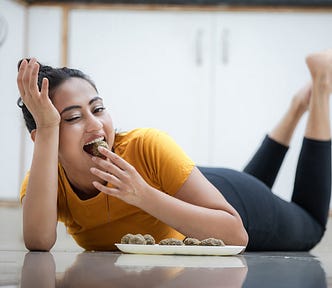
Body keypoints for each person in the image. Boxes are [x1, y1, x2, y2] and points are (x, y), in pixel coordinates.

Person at [16, 50, 332, 252]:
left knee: (312, 226)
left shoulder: (146, 144)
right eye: (71, 118)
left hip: (236, 205)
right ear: (43, 136)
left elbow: (236, 234)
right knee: (251, 181)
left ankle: (319, 88)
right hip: (197, 191)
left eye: (98, 109)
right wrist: (46, 128)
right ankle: (294, 108)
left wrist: (142, 195)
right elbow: (39, 241)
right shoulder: (46, 179)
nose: (94, 125)